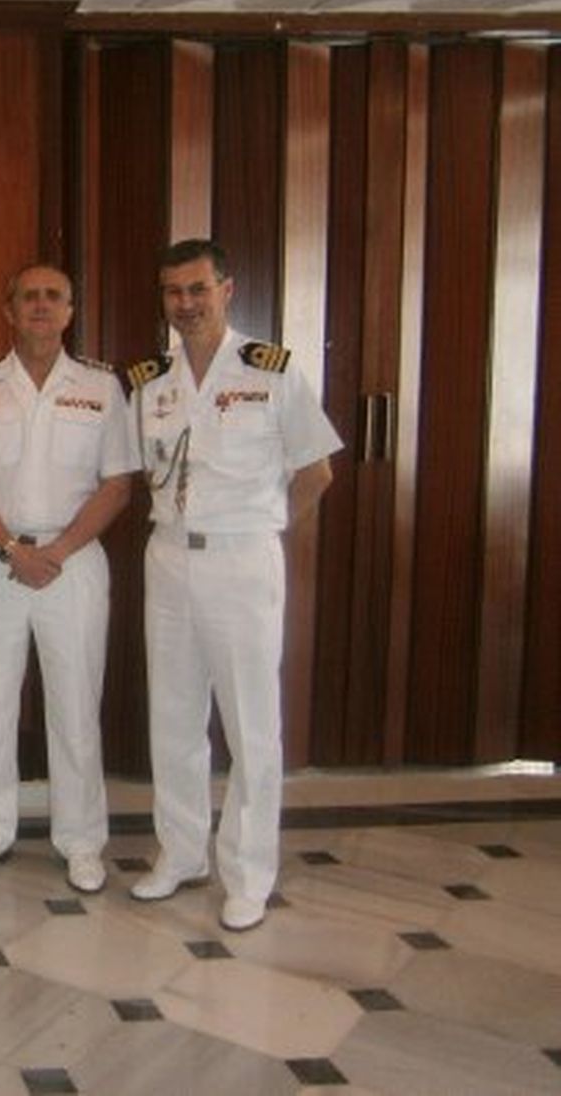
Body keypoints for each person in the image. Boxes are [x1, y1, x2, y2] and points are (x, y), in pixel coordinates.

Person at [127, 238, 340, 932]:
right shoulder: (151, 381)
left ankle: (248, 873)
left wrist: (263, 528)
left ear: (227, 289)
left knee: (251, 723)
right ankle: (181, 853)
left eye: (197, 289)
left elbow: (316, 472)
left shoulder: (271, 371)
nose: (184, 304)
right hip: (167, 557)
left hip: (243, 560)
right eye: (172, 292)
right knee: (175, 714)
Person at [0, 264, 138, 891]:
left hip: (73, 561)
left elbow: (118, 483)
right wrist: (11, 547)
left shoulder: (103, 387)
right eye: (27, 295)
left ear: (70, 309)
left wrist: (55, 552)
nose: (39, 306)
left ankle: (81, 840)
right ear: (8, 309)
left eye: (52, 296)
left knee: (75, 704)